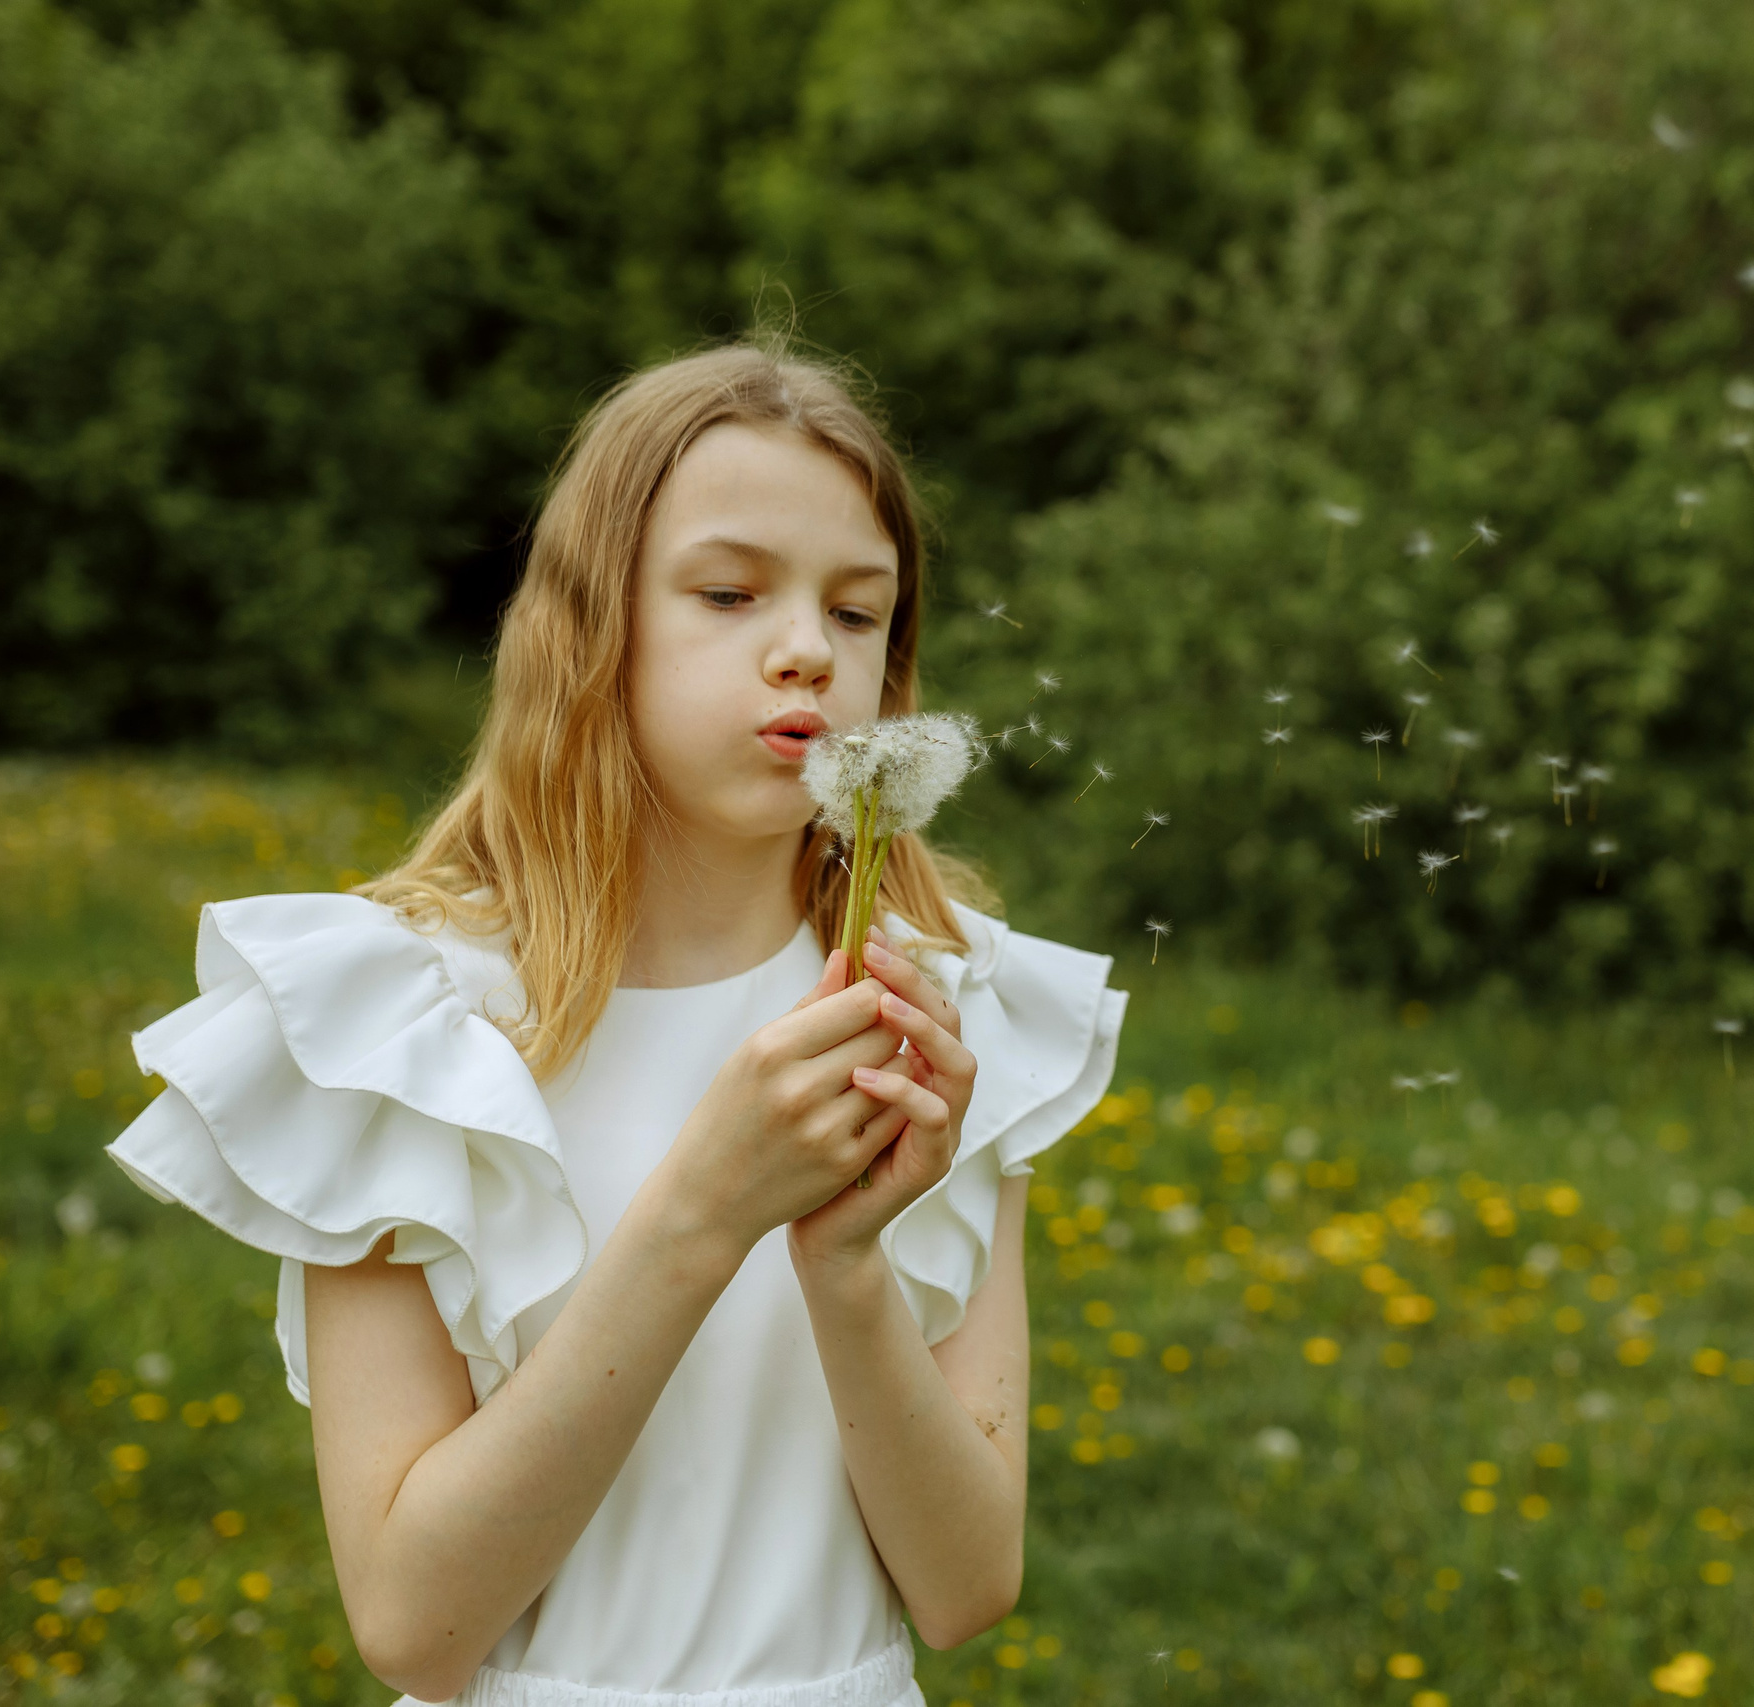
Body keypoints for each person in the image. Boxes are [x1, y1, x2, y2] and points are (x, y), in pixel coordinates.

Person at [103, 339, 1128, 1707]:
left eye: (859, 611)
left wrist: (846, 1262)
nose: (805, 650)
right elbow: (415, 1624)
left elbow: (962, 1589)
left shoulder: (935, 1011)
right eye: (728, 591)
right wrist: (704, 1210)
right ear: (592, 623)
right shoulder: (409, 1033)